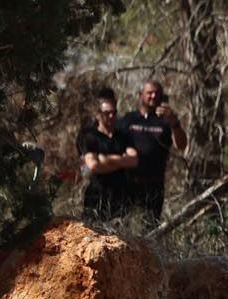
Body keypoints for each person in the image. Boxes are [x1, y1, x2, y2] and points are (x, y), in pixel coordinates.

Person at [117, 78, 188, 219]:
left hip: (154, 185)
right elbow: (113, 141)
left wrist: (174, 123)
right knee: (121, 225)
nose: (153, 96)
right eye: (149, 93)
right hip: (128, 184)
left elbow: (181, 145)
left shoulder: (167, 121)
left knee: (149, 230)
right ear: (140, 95)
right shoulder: (129, 119)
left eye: (157, 93)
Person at [77, 89, 138, 221]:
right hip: (97, 194)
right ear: (97, 114)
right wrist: (121, 160)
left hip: (121, 195)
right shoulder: (89, 137)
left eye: (114, 112)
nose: (111, 116)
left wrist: (106, 159)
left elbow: (133, 160)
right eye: (107, 113)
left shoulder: (123, 136)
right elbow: (93, 166)